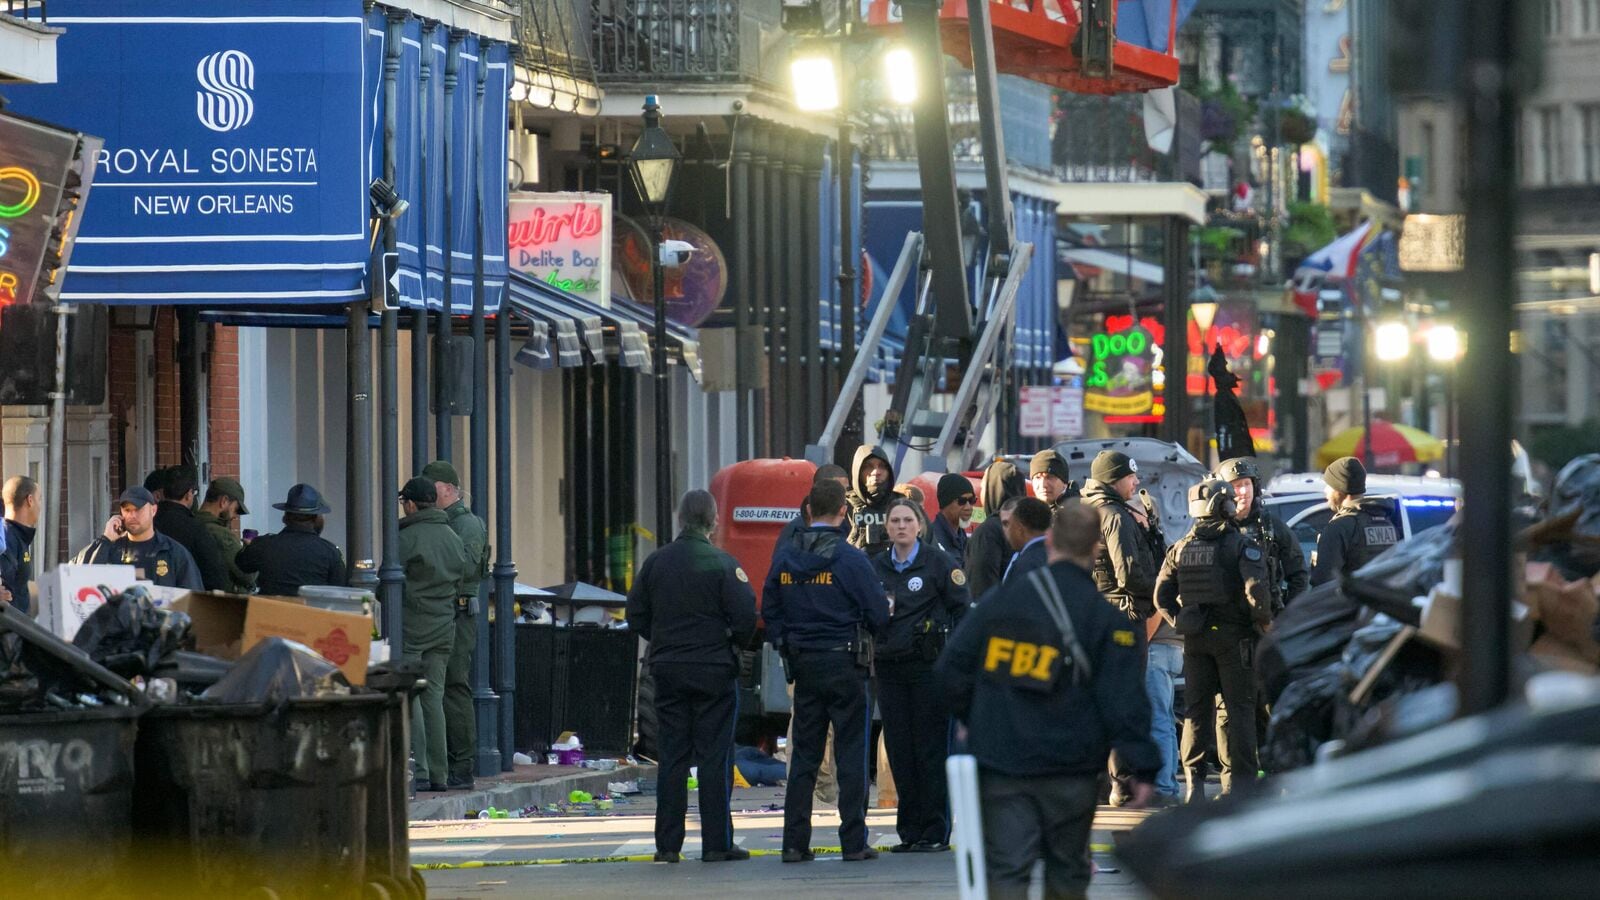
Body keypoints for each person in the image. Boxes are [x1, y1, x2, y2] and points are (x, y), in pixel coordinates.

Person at [937, 502, 1159, 899]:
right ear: (1095, 549)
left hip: (1002, 762)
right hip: (1070, 768)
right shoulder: (1103, 619)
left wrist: (974, 717)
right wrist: (1142, 765)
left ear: (1051, 540)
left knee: (1006, 869)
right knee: (1068, 868)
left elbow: (951, 668)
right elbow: (1123, 698)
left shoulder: (1001, 602)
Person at [627, 489, 758, 863]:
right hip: (715, 671)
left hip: (668, 670)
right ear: (713, 521)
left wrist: (665, 640)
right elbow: (746, 616)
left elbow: (636, 614)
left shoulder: (656, 564)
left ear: (681, 519)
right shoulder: (723, 563)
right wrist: (729, 646)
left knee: (672, 757)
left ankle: (668, 845)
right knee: (715, 757)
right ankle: (717, 843)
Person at [764, 478, 890, 863]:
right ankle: (853, 842)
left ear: (807, 511)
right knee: (851, 754)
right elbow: (877, 614)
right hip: (846, 663)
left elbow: (770, 611)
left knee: (804, 754)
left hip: (804, 665)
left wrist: (789, 642)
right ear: (843, 512)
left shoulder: (785, 557)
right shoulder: (851, 559)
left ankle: (793, 843)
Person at [1153, 479, 1273, 801]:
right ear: (1225, 506)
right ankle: (1241, 790)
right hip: (1234, 640)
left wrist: (1180, 621)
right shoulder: (1239, 545)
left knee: (1196, 713)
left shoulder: (1181, 547)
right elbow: (1256, 592)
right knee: (1240, 711)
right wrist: (1265, 623)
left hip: (1196, 641)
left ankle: (1193, 788)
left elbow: (1161, 596)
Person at [872, 498, 969, 853]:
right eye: (895, 520)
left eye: (907, 520)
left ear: (919, 526)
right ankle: (909, 831)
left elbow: (962, 609)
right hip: (889, 669)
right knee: (900, 751)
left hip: (928, 669)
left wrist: (950, 654)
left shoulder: (938, 562)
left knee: (930, 749)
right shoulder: (878, 566)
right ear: (887, 527)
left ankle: (934, 830)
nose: (901, 526)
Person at [774, 463, 851, 807]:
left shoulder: (799, 536)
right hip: (827, 647)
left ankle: (814, 793)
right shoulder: (799, 536)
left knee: (812, 725)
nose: (844, 496)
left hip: (803, 647)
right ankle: (819, 791)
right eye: (839, 490)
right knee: (812, 726)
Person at [397, 476, 470, 793]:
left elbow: (391, 579)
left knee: (409, 692)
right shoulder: (452, 536)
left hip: (412, 624)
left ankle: (420, 770)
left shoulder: (406, 537)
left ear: (411, 504)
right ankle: (440, 772)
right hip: (444, 625)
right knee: (434, 697)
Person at [420, 460, 490, 792]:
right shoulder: (444, 523)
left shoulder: (467, 525)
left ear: (448, 489)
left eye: (432, 488)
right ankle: (446, 760)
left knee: (453, 685)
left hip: (458, 614)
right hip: (442, 612)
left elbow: (464, 569)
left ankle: (461, 762)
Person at [1216, 457, 1307, 610]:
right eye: (1237, 485)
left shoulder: (1272, 525)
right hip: (1227, 620)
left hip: (1267, 617)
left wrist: (1288, 614)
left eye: (1247, 484)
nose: (1244, 491)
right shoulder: (1214, 528)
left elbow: (1299, 575)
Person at [1082, 451, 1161, 622]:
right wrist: (1161, 589)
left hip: (1096, 610)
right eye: (1130, 476)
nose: (1136, 482)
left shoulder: (1087, 508)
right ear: (1113, 480)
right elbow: (1129, 575)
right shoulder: (1115, 516)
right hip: (1121, 614)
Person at [73, 487, 203, 590]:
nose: (132, 515)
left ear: (153, 510)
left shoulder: (173, 553)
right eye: (127, 510)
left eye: (138, 509)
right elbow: (80, 582)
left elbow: (193, 600)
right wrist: (105, 539)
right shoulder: (110, 549)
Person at [236, 484, 347, 595]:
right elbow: (341, 590)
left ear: (285, 516)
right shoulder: (330, 552)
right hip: (310, 612)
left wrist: (250, 546)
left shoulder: (263, 545)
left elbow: (242, 564)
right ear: (316, 518)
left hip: (270, 611)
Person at [1311, 456, 1398, 586]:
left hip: (1349, 604)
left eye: (1328, 486)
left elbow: (1323, 582)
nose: (1325, 492)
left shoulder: (1338, 528)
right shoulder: (1386, 522)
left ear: (1339, 489)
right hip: (1382, 602)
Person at [151, 466, 231, 592]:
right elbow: (217, 577)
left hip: (149, 596)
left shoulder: (148, 523)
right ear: (188, 495)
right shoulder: (196, 528)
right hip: (187, 600)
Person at [966, 458, 1026, 598]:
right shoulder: (1031, 527)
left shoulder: (989, 531)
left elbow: (981, 583)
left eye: (983, 487)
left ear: (992, 489)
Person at [194, 478, 256, 594]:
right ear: (224, 501)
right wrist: (252, 552)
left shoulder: (191, 523)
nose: (235, 516)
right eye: (236, 509)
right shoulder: (221, 534)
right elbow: (247, 576)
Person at [775, 464, 850, 551]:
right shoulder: (796, 529)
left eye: (846, 490)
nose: (845, 496)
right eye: (838, 491)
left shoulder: (846, 522)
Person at [845, 444, 896, 555]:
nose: (876, 472)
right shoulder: (843, 506)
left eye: (882, 466)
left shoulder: (903, 506)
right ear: (857, 471)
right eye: (868, 466)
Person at [2, 476, 41, 613]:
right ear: (30, 500)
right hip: (7, 630)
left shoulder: (16, 536)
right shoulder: (7, 538)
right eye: (39, 499)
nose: (40, 505)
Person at [1001, 497, 1052, 585]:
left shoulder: (1025, 565)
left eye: (1008, 524)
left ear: (1019, 528)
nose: (1006, 530)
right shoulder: (1062, 557)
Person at [930, 473, 974, 565]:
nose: (968, 507)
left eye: (971, 500)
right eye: (962, 501)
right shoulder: (932, 539)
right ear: (946, 503)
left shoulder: (963, 538)